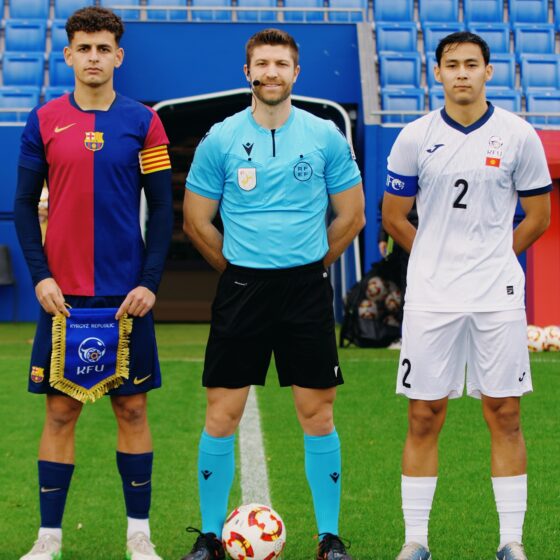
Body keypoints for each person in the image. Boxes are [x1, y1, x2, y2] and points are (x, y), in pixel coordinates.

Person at [182, 28, 365, 560]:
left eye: (281, 64)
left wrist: (311, 264)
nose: (271, 73)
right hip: (242, 289)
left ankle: (329, 538)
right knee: (222, 413)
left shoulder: (325, 135)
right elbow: (196, 221)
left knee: (318, 413)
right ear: (247, 72)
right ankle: (210, 537)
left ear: (295, 72)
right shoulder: (221, 138)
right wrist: (238, 268)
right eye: (262, 63)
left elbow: (351, 215)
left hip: (306, 290)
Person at [382, 32, 551, 560]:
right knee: (424, 413)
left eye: (471, 64)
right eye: (452, 64)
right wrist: (436, 258)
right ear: (437, 73)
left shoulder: (518, 135)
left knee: (505, 413)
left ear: (488, 71)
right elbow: (393, 216)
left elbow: (539, 216)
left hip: (496, 295)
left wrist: (494, 257)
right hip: (432, 295)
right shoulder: (414, 136)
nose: (462, 73)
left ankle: (510, 541)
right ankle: (416, 541)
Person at [14, 7, 173, 560]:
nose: (93, 58)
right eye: (84, 48)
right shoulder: (43, 120)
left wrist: (149, 282)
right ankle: (48, 539)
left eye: (103, 48)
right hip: (63, 296)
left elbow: (163, 210)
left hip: (126, 297)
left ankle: (139, 536)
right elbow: (22, 207)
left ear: (118, 56)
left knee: (133, 411)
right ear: (68, 55)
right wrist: (40, 277)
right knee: (60, 413)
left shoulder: (144, 122)